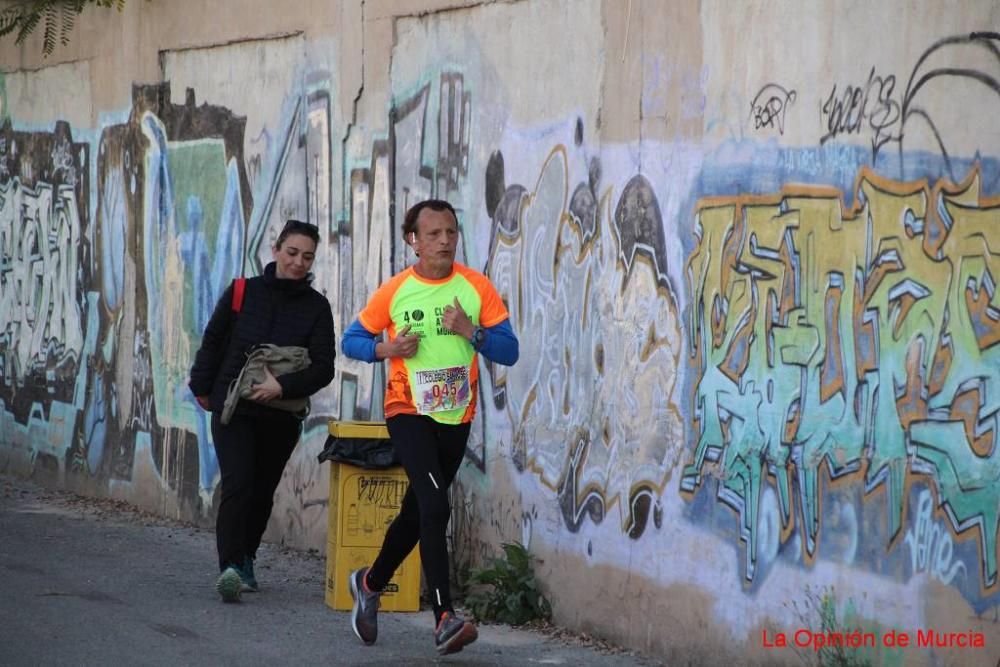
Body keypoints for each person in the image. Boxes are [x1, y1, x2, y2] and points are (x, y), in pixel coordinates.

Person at [341, 199, 519, 655]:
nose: (444, 241)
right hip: (408, 410)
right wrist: (387, 350)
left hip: (456, 415)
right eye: (434, 234)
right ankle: (444, 616)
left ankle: (370, 581)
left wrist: (471, 331)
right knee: (436, 506)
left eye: (451, 233)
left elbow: (509, 349)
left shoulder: (476, 288)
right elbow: (352, 339)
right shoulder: (397, 290)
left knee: (418, 511)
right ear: (413, 241)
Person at [189, 219, 336, 603]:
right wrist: (202, 388)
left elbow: (324, 366)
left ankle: (247, 557)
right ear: (275, 250)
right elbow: (213, 340)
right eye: (292, 253)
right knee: (238, 483)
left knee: (261, 489)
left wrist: (282, 386)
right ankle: (230, 568)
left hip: (281, 416)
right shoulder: (242, 292)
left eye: (307, 257)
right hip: (234, 409)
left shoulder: (317, 307)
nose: (298, 263)